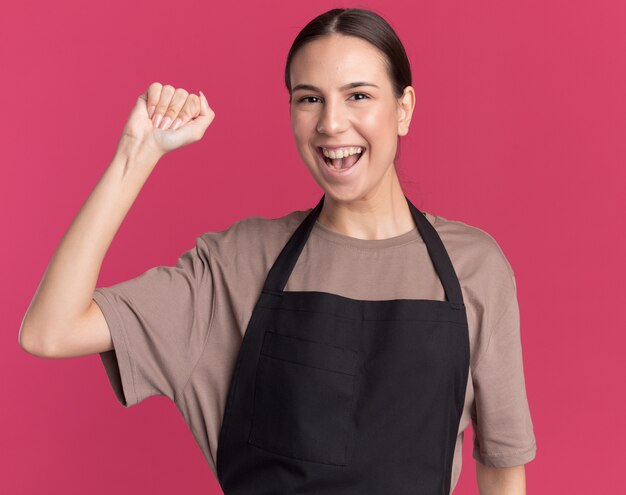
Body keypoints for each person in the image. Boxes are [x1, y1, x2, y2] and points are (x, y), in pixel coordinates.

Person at [19, 7, 536, 494]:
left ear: (403, 109)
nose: (331, 123)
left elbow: (502, 468)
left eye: (358, 96)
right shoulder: (237, 264)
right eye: (309, 98)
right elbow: (50, 330)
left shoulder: (476, 269)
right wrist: (136, 154)